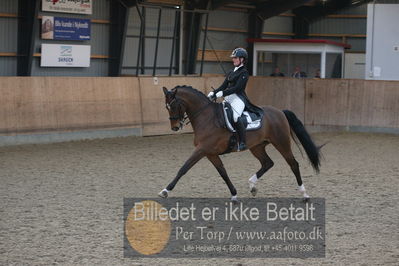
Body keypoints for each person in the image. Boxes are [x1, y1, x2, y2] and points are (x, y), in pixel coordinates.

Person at [207, 47, 263, 151]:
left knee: (236, 116)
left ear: (242, 59)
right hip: (228, 98)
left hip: (238, 98)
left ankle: (242, 142)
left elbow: (237, 88)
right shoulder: (231, 72)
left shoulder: (244, 73)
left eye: (235, 58)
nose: (233, 59)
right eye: (233, 58)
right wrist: (214, 93)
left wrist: (222, 93)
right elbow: (223, 86)